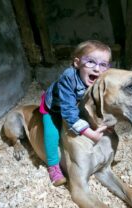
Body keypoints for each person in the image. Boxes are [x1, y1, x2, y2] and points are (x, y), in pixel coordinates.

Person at [39, 40, 112, 186]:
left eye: (103, 64)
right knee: (52, 134)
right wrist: (90, 133)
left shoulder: (98, 78)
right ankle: (53, 167)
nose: (97, 69)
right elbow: (68, 112)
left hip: (75, 105)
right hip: (54, 108)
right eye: (90, 62)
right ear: (77, 63)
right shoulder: (68, 78)